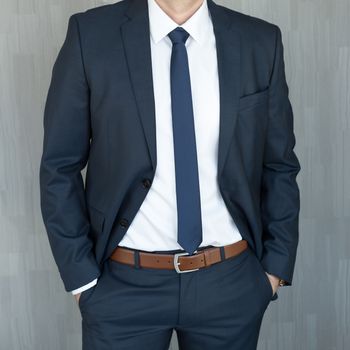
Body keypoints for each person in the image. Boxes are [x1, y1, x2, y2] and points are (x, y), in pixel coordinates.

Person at [39, 0, 301, 349]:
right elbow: (60, 165)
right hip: (123, 288)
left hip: (231, 284)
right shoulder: (91, 35)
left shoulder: (259, 41)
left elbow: (279, 164)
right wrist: (82, 280)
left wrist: (273, 271)